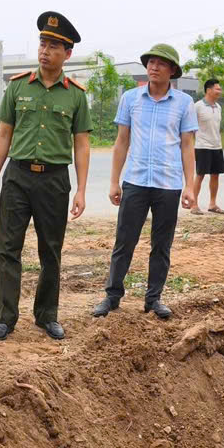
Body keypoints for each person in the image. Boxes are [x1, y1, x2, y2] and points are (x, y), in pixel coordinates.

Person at [0, 12, 90, 342]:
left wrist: (82, 190)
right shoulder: (18, 87)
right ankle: (5, 318)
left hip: (54, 181)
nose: (46, 51)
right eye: (43, 43)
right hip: (17, 177)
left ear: (67, 54)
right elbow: (3, 134)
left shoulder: (75, 95)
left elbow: (82, 144)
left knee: (51, 251)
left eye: (54, 46)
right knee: (8, 249)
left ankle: (47, 315)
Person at [92, 44, 197, 320]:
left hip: (168, 184)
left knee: (161, 245)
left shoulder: (184, 103)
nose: (153, 67)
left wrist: (190, 186)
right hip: (136, 181)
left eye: (161, 63)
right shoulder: (131, 99)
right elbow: (121, 142)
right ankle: (112, 296)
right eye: (150, 62)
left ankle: (154, 299)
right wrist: (114, 182)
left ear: (172, 70)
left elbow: (187, 146)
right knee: (124, 242)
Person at [191, 78, 224, 214]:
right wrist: (193, 146)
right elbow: (191, 128)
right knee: (200, 175)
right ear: (209, 90)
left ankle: (212, 204)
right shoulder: (197, 106)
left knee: (215, 175)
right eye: (217, 89)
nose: (220, 91)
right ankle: (194, 205)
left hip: (216, 146)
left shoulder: (218, 107)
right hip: (202, 146)